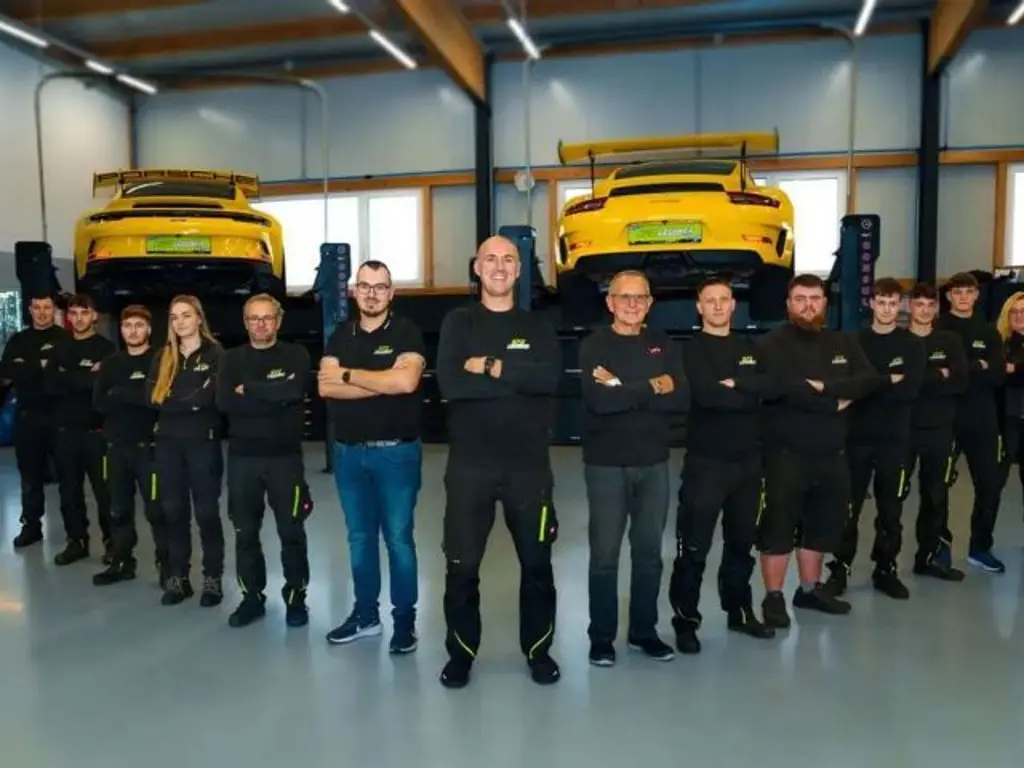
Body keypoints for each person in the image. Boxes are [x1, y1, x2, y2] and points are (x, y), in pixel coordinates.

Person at [435, 234, 562, 689]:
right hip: (470, 468)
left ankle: (538, 651)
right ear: (477, 267)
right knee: (462, 568)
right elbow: (451, 384)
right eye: (491, 259)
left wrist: (490, 367)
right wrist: (518, 380)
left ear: (520, 270)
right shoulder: (458, 322)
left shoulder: (539, 326)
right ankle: (461, 655)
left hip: (529, 470)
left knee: (538, 566)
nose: (500, 266)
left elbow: (549, 380)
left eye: (509, 259)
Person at [578, 269, 689, 667]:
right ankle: (601, 637)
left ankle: (644, 631)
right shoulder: (594, 345)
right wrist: (653, 386)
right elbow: (600, 402)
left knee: (649, 555)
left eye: (640, 297)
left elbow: (680, 398)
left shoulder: (663, 344)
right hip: (606, 465)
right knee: (605, 555)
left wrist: (621, 386)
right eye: (624, 297)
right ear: (610, 302)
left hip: (654, 462)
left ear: (650, 303)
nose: (632, 304)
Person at [756, 273, 879, 627]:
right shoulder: (770, 345)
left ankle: (809, 590)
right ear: (788, 304)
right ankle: (773, 597)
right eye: (800, 299)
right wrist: (835, 400)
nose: (808, 306)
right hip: (785, 455)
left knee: (821, 525)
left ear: (824, 303)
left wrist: (823, 386)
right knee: (778, 527)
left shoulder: (842, 342)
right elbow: (787, 389)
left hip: (832, 453)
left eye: (814, 299)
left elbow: (868, 380)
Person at [318, 261, 426, 653]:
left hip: (396, 454)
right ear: (354, 291)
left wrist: (349, 375)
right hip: (349, 455)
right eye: (364, 286)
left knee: (398, 539)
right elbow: (326, 387)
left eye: (380, 287)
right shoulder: (340, 335)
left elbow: (406, 381)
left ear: (391, 293)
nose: (372, 293)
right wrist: (381, 380)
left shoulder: (407, 332)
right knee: (360, 539)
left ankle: (404, 623)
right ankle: (366, 617)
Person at [668, 276, 778, 655]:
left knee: (741, 545)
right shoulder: (691, 351)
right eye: (710, 300)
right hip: (707, 464)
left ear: (733, 305)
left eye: (724, 299)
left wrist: (739, 386)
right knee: (693, 548)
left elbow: (772, 387)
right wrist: (747, 389)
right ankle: (686, 621)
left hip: (749, 463)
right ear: (699, 307)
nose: (717, 306)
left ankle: (739, 610)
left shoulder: (751, 347)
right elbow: (707, 395)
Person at [216, 294, 313, 629]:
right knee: (245, 533)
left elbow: (294, 392)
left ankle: (296, 597)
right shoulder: (230, 359)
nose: (260, 324)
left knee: (292, 531)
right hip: (243, 460)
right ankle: (252, 598)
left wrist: (249, 390)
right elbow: (225, 402)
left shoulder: (296, 355)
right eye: (254, 318)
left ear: (278, 321)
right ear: (245, 323)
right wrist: (273, 393)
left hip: (285, 460)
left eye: (267, 318)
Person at [825, 278, 925, 600]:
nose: (886, 309)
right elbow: (847, 386)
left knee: (891, 510)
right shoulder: (854, 342)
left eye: (893, 303)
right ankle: (840, 568)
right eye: (881, 302)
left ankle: (885, 568)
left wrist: (867, 385)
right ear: (871, 304)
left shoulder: (912, 345)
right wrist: (885, 381)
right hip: (856, 439)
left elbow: (908, 391)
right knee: (848, 508)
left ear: (901, 306)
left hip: (895, 440)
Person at [147, 295, 225, 606]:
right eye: (174, 317)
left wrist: (177, 399)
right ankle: (178, 579)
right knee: (173, 511)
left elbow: (208, 398)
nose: (180, 322)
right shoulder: (163, 356)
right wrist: (189, 401)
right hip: (168, 443)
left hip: (202, 443)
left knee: (206, 513)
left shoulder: (216, 354)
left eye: (186, 315)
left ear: (199, 318)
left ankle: (212, 579)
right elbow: (152, 397)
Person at [936, 272, 1006, 574]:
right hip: (947, 417)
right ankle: (939, 545)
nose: (963, 297)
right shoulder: (939, 329)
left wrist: (961, 367)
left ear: (976, 295)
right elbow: (937, 371)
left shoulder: (989, 332)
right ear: (949, 296)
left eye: (968, 292)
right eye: (957, 292)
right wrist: (979, 364)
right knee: (938, 484)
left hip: (983, 419)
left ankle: (980, 546)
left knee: (990, 484)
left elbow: (998, 375)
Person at [92, 305, 166, 587]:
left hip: (149, 448)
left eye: (138, 325)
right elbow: (99, 403)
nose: (133, 331)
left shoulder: (159, 360)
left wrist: (120, 392)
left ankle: (167, 565)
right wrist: (137, 393)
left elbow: (156, 399)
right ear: (121, 330)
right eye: (127, 326)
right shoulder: (111, 363)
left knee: (156, 510)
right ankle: (122, 561)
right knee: (118, 509)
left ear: (149, 329)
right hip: (115, 447)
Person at [903, 282, 968, 581]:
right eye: (919, 304)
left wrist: (918, 377)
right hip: (903, 430)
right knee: (894, 498)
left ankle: (930, 558)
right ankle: (885, 565)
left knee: (936, 496)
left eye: (931, 305)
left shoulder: (950, 341)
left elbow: (960, 382)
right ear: (909, 306)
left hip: (940, 430)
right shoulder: (900, 341)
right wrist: (937, 374)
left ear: (937, 308)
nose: (925, 310)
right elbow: (902, 386)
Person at [49, 293, 116, 566]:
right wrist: (88, 377)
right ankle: (76, 541)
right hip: (65, 433)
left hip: (97, 435)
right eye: (74, 313)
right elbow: (51, 385)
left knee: (105, 493)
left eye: (84, 312)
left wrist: (70, 377)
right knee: (69, 492)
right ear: (68, 317)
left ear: (94, 316)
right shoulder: (59, 349)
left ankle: (112, 543)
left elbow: (105, 387)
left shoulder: (107, 349)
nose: (78, 318)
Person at [0, 293, 69, 549]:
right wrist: (42, 365)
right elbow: (7, 370)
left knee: (69, 477)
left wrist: (27, 366)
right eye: (37, 307)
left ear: (54, 310)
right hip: (28, 418)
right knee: (30, 476)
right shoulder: (18, 340)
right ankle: (31, 526)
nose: (42, 312)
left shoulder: (65, 339)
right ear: (30, 310)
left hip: (60, 417)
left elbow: (68, 374)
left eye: (47, 307)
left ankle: (75, 532)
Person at [995, 291, 1024, 520]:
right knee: (994, 483)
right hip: (1007, 420)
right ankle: (982, 537)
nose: (1018, 316)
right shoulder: (1000, 344)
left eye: (1023, 312)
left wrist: (1015, 369)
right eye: (1013, 311)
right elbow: (997, 377)